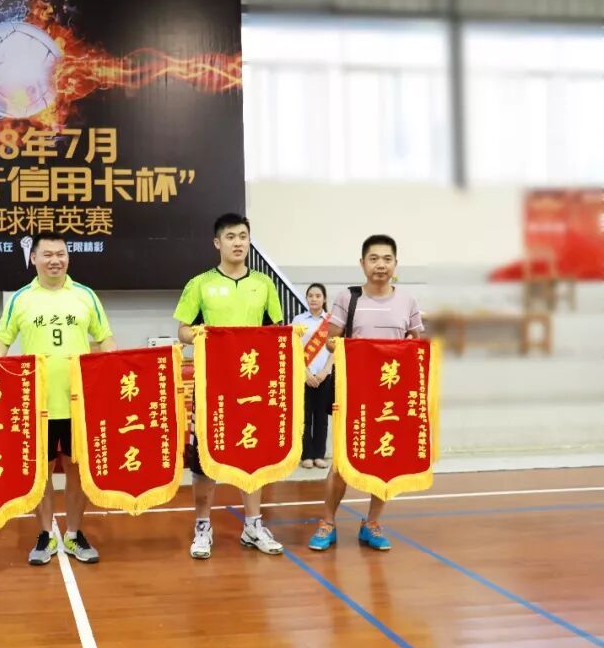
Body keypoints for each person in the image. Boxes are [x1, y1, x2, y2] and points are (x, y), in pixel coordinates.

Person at [0, 231, 116, 566]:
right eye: (48, 255)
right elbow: (1, 342)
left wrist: (109, 369)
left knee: (76, 470)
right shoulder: (21, 299)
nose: (55, 260)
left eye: (61, 254)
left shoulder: (85, 296)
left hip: (77, 403)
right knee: (41, 471)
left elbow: (106, 340)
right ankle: (45, 534)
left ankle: (73, 533)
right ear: (34, 258)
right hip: (36, 403)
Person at [174, 213, 285, 559]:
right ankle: (203, 526)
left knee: (253, 452)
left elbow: (276, 332)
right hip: (213, 384)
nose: (238, 242)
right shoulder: (199, 284)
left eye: (243, 236)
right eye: (231, 237)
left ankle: (253, 525)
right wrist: (201, 334)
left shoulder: (264, 284)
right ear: (217, 243)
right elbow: (182, 330)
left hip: (252, 384)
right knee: (204, 457)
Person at [308, 235, 425, 552]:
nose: (380, 265)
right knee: (341, 463)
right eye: (374, 259)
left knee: (385, 459)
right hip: (354, 392)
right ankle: (327, 523)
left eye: (387, 259)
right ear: (362, 264)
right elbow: (331, 341)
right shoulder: (348, 297)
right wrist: (358, 349)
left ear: (396, 264)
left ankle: (371, 523)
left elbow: (417, 342)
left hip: (390, 394)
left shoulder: (408, 301)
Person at [293, 283, 333, 469]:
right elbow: (294, 348)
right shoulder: (299, 320)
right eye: (310, 296)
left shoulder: (331, 321)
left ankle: (319, 455)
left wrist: (325, 371)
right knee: (304, 417)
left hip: (325, 374)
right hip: (304, 375)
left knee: (322, 418)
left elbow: (335, 348)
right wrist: (305, 373)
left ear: (324, 299)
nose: (314, 299)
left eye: (318, 296)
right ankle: (306, 455)